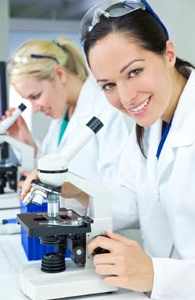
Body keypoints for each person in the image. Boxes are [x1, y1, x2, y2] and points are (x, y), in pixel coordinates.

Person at [78, 0, 195, 299]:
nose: (126, 98)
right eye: (108, 86)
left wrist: (157, 275)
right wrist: (73, 190)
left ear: (168, 54)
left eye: (134, 72)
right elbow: (132, 200)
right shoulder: (148, 127)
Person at [6, 36, 131, 214]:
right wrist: (27, 144)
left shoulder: (107, 108)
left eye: (36, 96)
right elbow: (54, 169)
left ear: (59, 74)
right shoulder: (62, 116)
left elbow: (123, 199)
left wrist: (78, 190)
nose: (34, 109)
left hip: (106, 232)